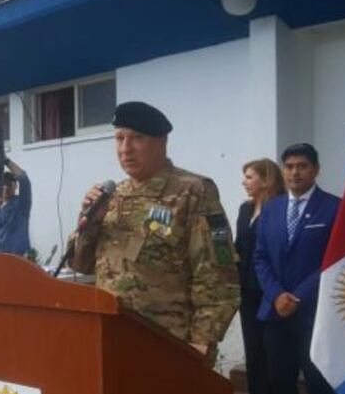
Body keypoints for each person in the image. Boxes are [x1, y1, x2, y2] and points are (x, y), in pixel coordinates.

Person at [69, 101, 239, 357]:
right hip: (111, 338)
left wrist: (203, 341)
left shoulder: (194, 191)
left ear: (162, 142)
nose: (125, 149)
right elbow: (78, 263)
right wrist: (90, 222)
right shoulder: (111, 195)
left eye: (137, 138)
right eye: (119, 138)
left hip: (168, 343)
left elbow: (218, 270)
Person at [254, 143, 341, 394]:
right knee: (281, 383)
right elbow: (259, 257)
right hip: (276, 314)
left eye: (302, 166)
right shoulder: (272, 209)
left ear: (316, 169)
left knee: (319, 387)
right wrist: (276, 295)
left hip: (314, 315)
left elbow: (335, 260)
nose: (294, 173)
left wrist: (298, 296)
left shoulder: (334, 209)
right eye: (288, 166)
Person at [236, 158, 285, 394]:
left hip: (271, 291)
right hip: (247, 291)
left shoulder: (279, 207)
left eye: (249, 176)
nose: (244, 182)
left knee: (273, 355)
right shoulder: (244, 209)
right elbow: (240, 245)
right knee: (254, 354)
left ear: (266, 178)